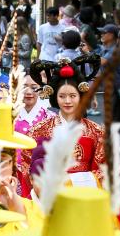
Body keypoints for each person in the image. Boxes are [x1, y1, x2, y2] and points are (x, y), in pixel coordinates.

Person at [18, 59, 104, 194]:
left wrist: (78, 181)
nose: (68, 101)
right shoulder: (39, 131)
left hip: (86, 197)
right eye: (62, 96)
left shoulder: (96, 132)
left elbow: (103, 169)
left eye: (72, 96)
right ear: (55, 98)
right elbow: (27, 168)